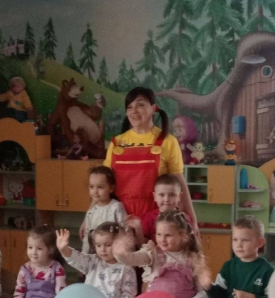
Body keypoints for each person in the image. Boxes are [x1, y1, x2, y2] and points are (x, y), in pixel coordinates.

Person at [104, 87, 196, 226]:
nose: (134, 111)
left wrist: (193, 220)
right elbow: (103, 184)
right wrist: (90, 215)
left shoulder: (168, 141)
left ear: (153, 109)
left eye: (140, 105)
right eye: (129, 107)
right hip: (120, 219)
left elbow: (179, 183)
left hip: (157, 221)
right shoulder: (116, 143)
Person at [128, 173, 192, 246]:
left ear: (179, 196)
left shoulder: (184, 218)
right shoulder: (148, 218)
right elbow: (143, 245)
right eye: (162, 195)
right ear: (155, 196)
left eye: (172, 195)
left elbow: (188, 245)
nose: (166, 199)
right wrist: (138, 229)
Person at [80, 166, 127, 254]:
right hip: (96, 255)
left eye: (100, 187)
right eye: (91, 186)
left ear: (111, 188)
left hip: (114, 255)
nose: (95, 191)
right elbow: (87, 238)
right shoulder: (90, 212)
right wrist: (84, 256)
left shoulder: (116, 207)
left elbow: (125, 232)